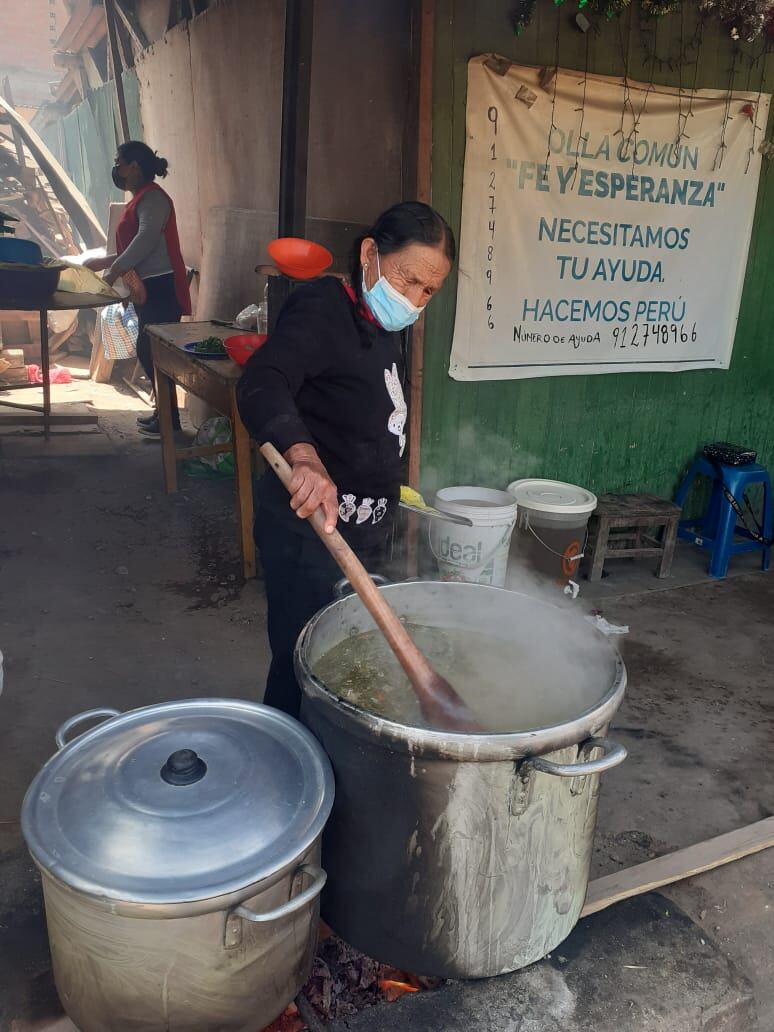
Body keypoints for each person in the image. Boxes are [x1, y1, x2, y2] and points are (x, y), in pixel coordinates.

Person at [236, 201, 455, 717]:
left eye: (429, 291)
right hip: (309, 534)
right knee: (302, 667)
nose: (414, 299)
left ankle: (342, 771)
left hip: (365, 536)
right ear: (370, 254)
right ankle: (291, 773)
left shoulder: (386, 324)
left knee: (349, 667)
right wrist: (305, 456)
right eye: (406, 281)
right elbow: (263, 381)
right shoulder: (322, 308)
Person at [85, 141, 191, 438]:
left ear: (134, 166)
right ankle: (165, 416)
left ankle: (170, 420)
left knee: (152, 349)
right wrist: (105, 261)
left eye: (119, 163)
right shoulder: (140, 199)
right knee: (150, 350)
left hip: (162, 285)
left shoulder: (154, 199)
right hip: (149, 284)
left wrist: (114, 270)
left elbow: (145, 240)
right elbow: (134, 246)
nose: (116, 169)